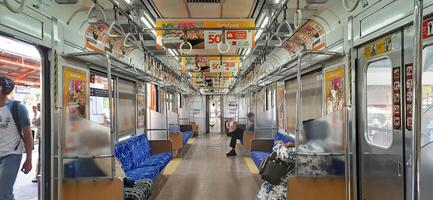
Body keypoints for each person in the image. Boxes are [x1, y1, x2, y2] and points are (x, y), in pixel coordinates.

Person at [256, 119, 332, 200]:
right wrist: (293, 145)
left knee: (267, 191)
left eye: (302, 132)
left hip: (294, 187)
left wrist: (279, 145)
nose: (301, 135)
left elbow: (286, 155)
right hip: (298, 182)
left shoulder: (314, 149)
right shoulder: (320, 147)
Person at [0, 76, 33, 200]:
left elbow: (28, 135)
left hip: (11, 154)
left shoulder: (17, 108)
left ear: (5, 89)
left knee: (3, 194)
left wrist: (28, 159)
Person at [31, 103, 41, 183]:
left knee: (40, 157)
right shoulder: (41, 114)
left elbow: (34, 122)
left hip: (43, 138)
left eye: (39, 106)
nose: (38, 108)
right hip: (42, 137)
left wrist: (34, 113)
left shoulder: (42, 114)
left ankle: (37, 175)